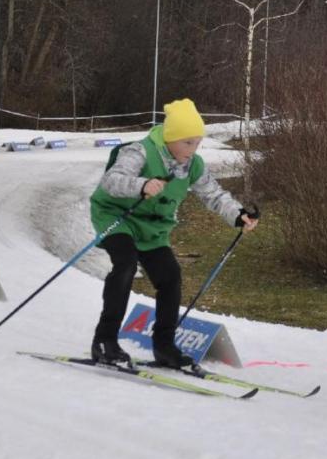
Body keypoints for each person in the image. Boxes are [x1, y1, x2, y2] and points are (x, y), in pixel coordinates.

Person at [88, 98, 259, 368]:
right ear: (170, 138)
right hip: (118, 217)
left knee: (170, 276)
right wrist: (142, 184)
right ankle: (105, 341)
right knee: (126, 265)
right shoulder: (140, 152)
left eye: (197, 143)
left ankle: (164, 347)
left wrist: (239, 215)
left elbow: (213, 194)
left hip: (154, 229)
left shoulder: (193, 165)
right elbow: (111, 181)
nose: (193, 150)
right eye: (187, 143)